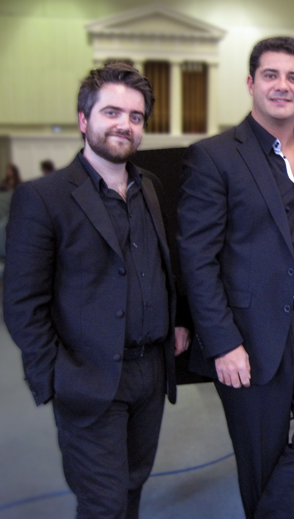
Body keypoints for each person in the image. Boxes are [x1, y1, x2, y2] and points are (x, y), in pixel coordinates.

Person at [3, 62, 190, 519]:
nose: (124, 124)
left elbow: (165, 266)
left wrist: (177, 319)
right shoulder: (43, 198)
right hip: (88, 375)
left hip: (150, 371)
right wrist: (55, 375)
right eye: (112, 112)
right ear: (84, 120)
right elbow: (21, 302)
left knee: (133, 484)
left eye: (136, 116)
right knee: (102, 502)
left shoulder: (151, 187)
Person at [177, 36, 294, 519]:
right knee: (262, 460)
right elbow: (197, 257)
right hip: (248, 335)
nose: (282, 86)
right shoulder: (213, 157)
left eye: (293, 77)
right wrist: (222, 342)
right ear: (251, 83)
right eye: (271, 75)